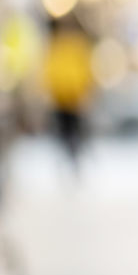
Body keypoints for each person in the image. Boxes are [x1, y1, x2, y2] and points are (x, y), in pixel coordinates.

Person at [42, 14, 95, 176]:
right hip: (60, 96)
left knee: (75, 129)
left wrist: (86, 91)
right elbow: (50, 69)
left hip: (74, 97)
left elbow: (86, 69)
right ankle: (67, 157)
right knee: (63, 130)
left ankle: (75, 157)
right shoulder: (56, 44)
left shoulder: (78, 44)